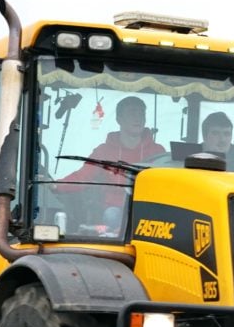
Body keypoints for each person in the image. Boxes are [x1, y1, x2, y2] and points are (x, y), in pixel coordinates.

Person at [57, 96, 164, 234]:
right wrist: (56, 185)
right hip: (115, 210)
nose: (138, 118)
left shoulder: (157, 152)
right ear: (119, 119)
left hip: (148, 211)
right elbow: (83, 177)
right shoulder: (104, 151)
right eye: (132, 113)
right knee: (112, 214)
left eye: (141, 113)